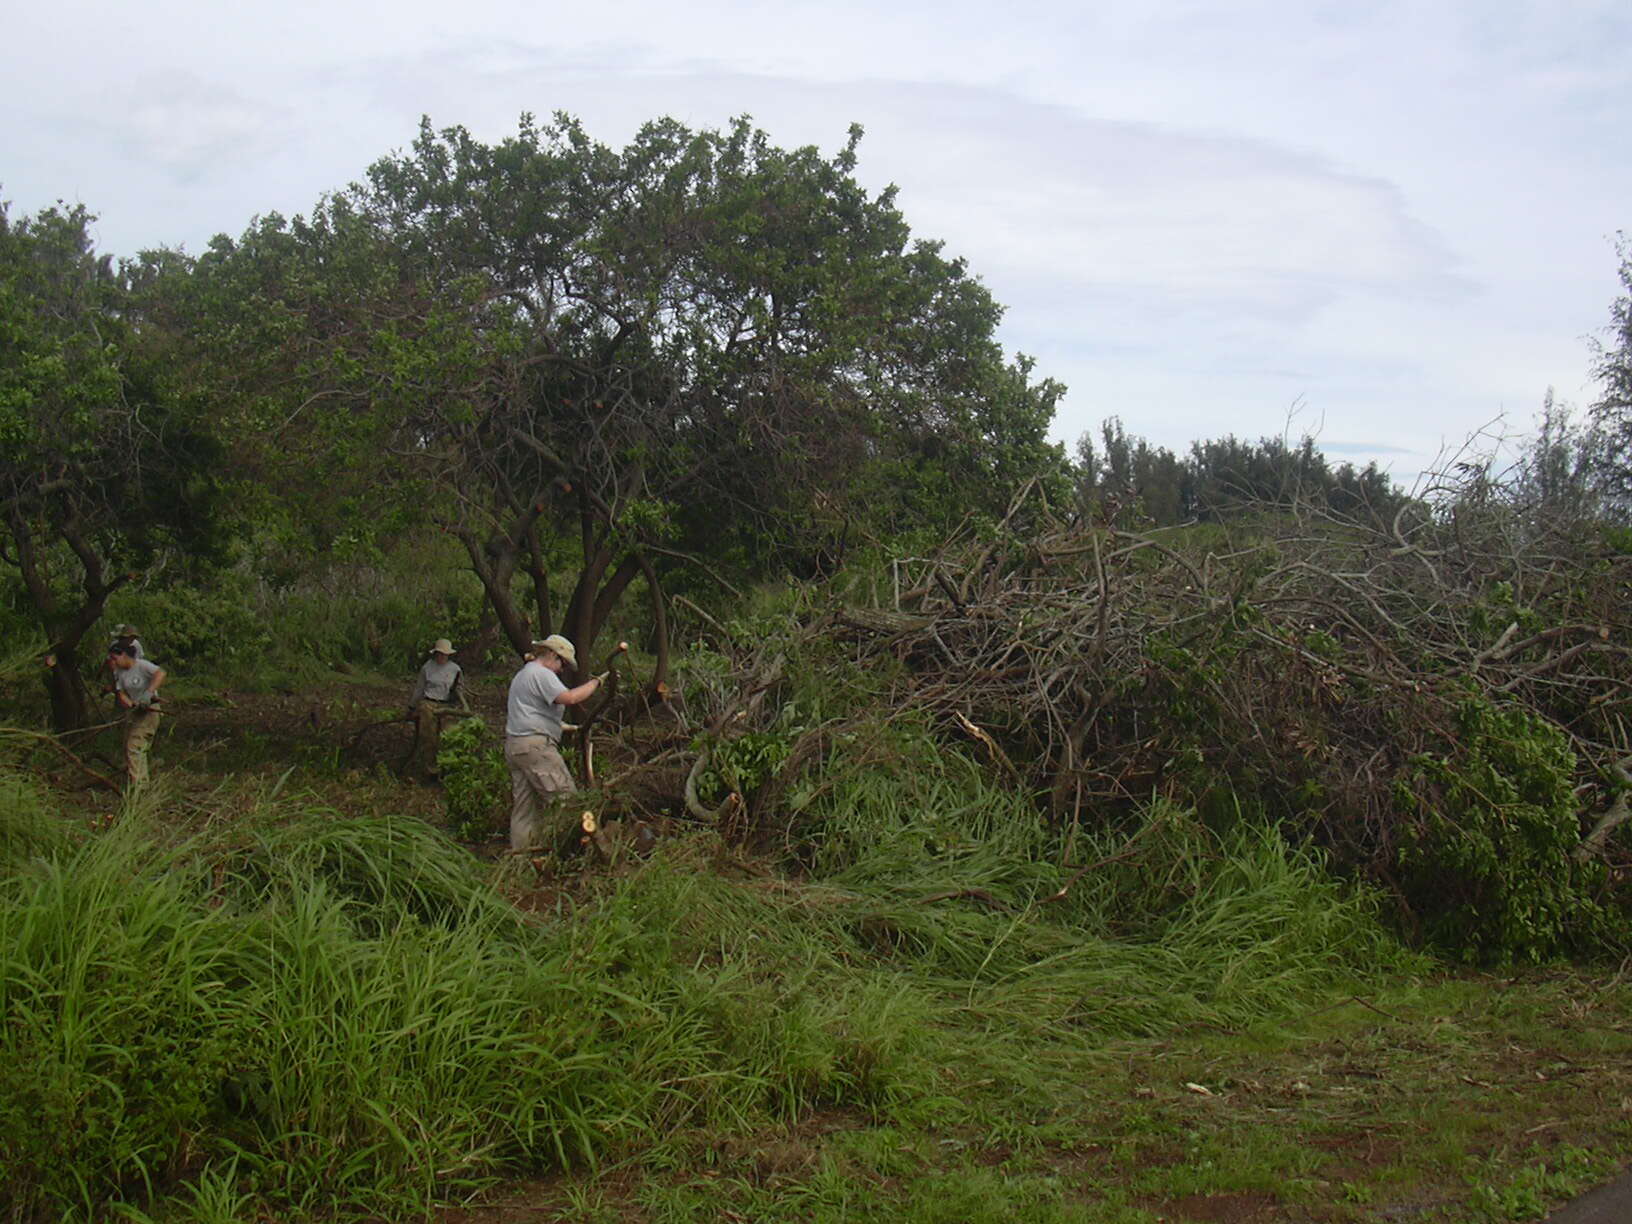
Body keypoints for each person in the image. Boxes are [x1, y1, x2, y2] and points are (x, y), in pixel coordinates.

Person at [504, 634, 603, 853]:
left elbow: (533, 713)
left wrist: (564, 727)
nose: (561, 669)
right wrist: (596, 683)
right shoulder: (541, 673)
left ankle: (520, 861)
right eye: (562, 663)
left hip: (516, 747)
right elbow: (570, 698)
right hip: (536, 748)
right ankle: (583, 854)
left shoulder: (523, 674)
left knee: (524, 810)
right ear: (551, 654)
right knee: (566, 801)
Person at [108, 643, 165, 786]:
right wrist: (130, 704)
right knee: (128, 744)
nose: (113, 662)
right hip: (135, 712)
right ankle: (134, 775)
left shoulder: (141, 665)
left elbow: (161, 673)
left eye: (115, 658)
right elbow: (121, 693)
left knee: (134, 745)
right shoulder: (119, 672)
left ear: (124, 655)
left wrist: (148, 693)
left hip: (150, 710)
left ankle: (140, 786)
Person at [408, 638, 465, 777]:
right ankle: (430, 769)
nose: (441, 657)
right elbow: (419, 689)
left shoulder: (455, 669)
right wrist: (412, 706)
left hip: (447, 704)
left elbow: (460, 689)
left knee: (449, 735)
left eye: (444, 654)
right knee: (429, 736)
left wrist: (459, 703)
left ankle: (447, 768)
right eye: (439, 654)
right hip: (429, 703)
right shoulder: (427, 668)